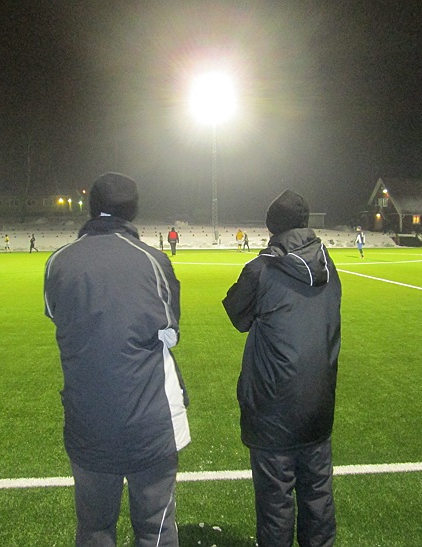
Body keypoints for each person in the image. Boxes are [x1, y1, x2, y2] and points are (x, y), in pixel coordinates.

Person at [44, 172, 190, 547]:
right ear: (133, 210)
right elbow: (170, 331)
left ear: (91, 208)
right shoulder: (153, 260)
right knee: (156, 529)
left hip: (87, 421)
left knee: (94, 528)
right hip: (150, 421)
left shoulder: (59, 262)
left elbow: (57, 316)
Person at [222, 190, 342, 547]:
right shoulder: (328, 265)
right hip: (318, 403)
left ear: (272, 226)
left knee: (276, 504)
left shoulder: (261, 269)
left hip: (273, 409)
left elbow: (236, 314)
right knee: (318, 497)